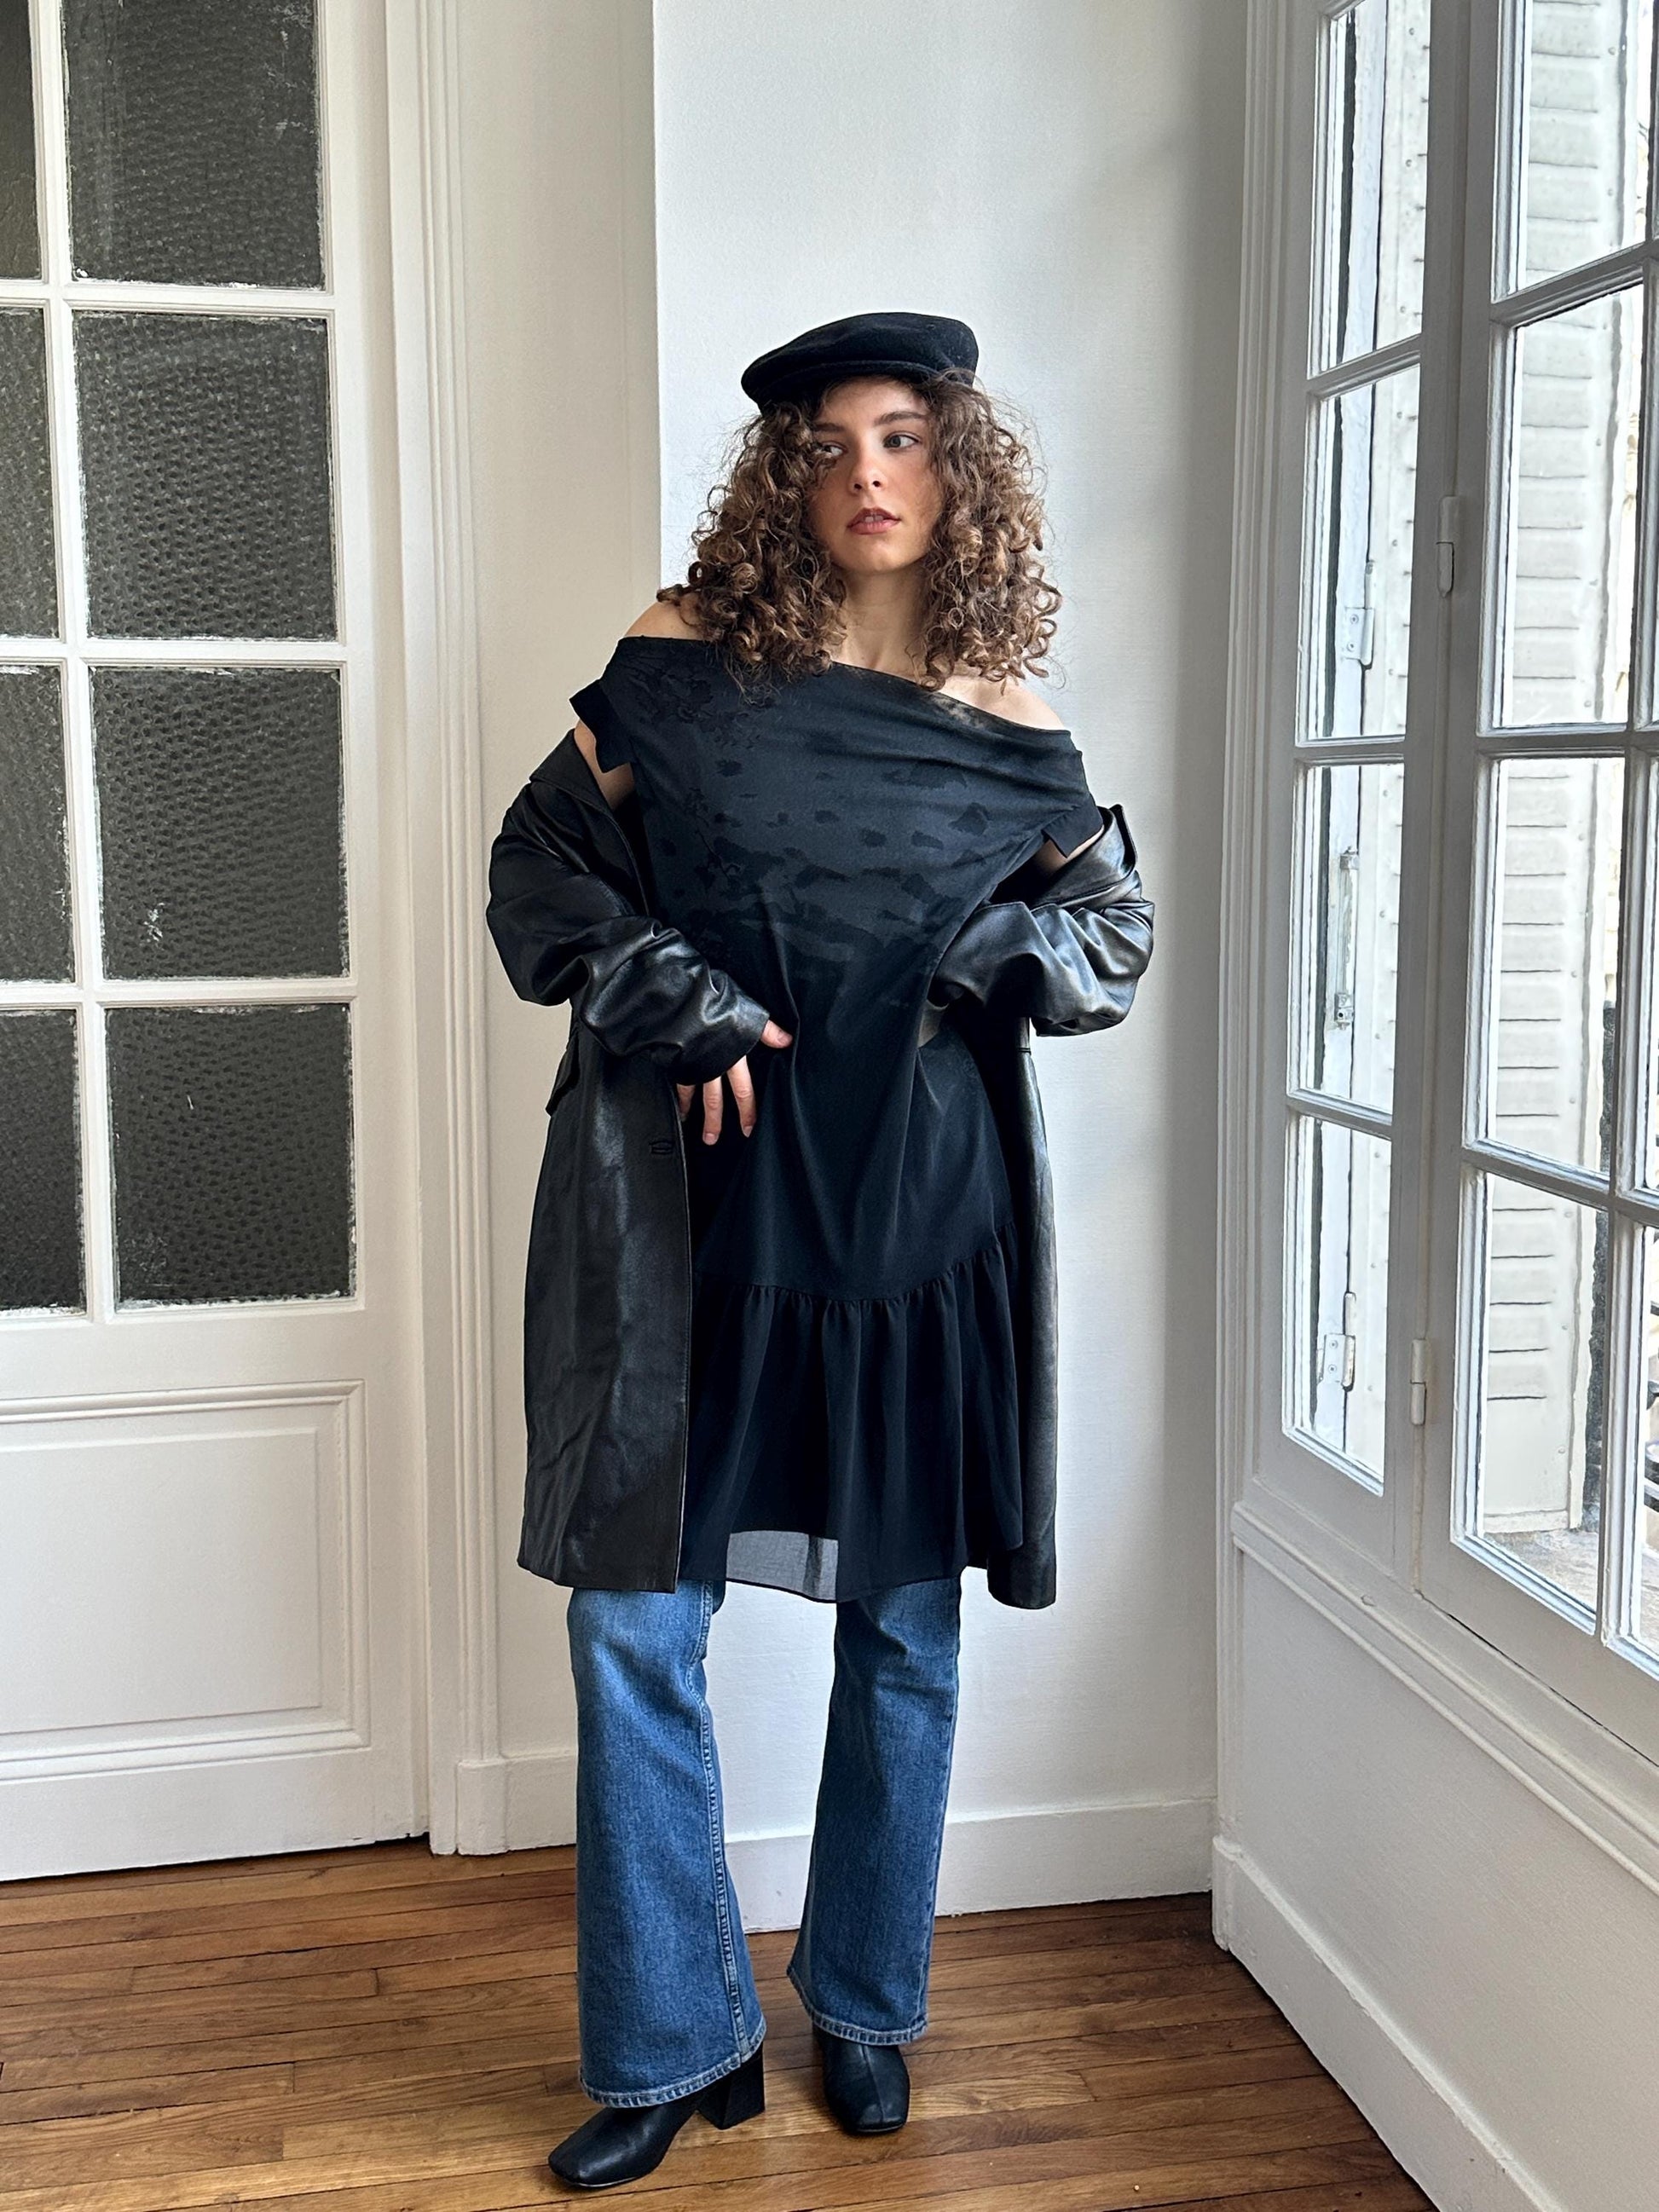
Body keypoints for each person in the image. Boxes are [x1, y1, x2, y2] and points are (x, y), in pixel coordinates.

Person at [486, 309, 1155, 2192]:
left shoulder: (1008, 712)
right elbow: (537, 866)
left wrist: (1008, 957)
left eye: (906, 438)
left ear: (960, 469)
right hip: (690, 1222)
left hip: (911, 1219)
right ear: (787, 473)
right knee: (634, 1614)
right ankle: (670, 2037)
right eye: (833, 443)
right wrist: (667, 984)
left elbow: (1111, 926)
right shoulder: (684, 658)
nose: (871, 473)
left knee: (905, 1624)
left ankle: (863, 2000)